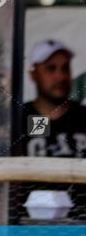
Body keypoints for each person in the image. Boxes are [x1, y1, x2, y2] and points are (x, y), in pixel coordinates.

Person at [19, 40, 86, 218]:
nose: (60, 76)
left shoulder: (83, 117)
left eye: (65, 68)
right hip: (27, 227)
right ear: (32, 75)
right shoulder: (16, 119)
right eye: (51, 68)